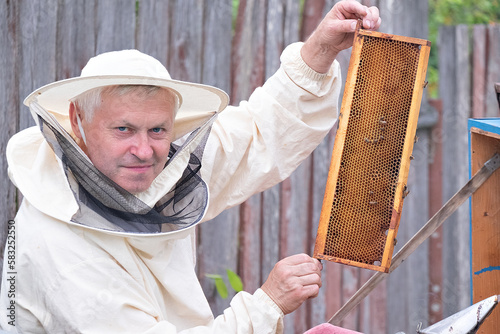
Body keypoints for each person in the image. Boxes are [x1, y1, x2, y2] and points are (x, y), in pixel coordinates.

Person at [0, 1, 380, 333]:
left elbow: (259, 134)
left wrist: (319, 50)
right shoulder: (55, 244)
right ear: (76, 121)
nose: (144, 150)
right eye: (123, 129)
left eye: (158, 130)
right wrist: (267, 305)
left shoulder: (155, 171)